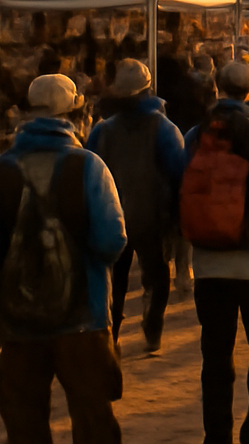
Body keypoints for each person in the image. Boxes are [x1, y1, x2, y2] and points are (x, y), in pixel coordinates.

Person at [0, 74, 128, 444]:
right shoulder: (90, 167)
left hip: (19, 324)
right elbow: (112, 241)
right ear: (75, 114)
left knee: (24, 424)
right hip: (84, 318)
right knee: (94, 422)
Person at [182, 63, 249, 444]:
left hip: (209, 264)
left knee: (215, 356)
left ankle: (217, 436)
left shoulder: (195, 136)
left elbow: (180, 188)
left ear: (217, 87)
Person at [85, 58, 185, 353]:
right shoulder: (164, 129)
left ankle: (112, 333)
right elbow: (179, 172)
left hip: (110, 215)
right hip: (152, 215)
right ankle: (153, 328)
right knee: (157, 275)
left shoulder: (102, 130)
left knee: (114, 279)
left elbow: (87, 171)